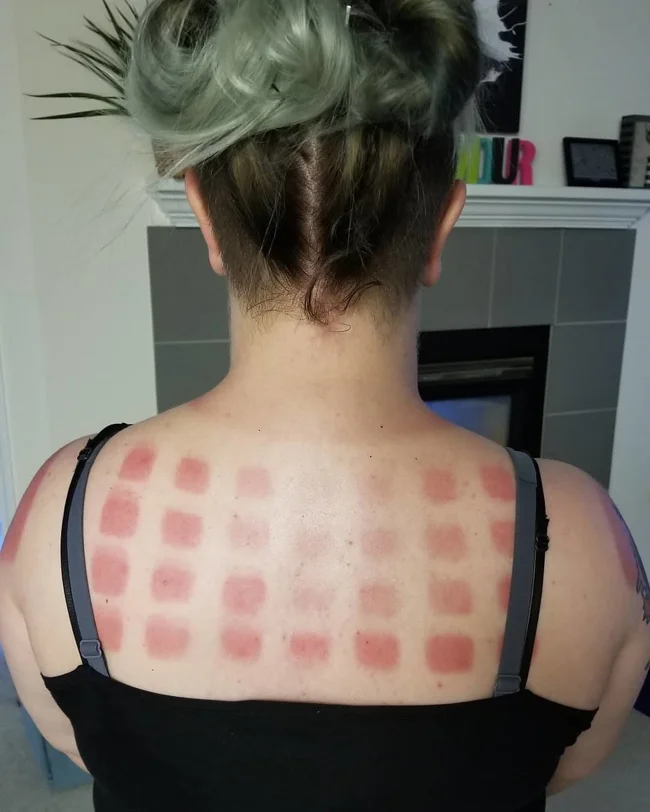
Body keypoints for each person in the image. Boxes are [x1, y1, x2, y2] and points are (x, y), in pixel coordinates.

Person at [1, 1, 649, 810]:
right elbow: (563, 768)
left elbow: (83, 744)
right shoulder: (584, 541)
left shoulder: (56, 514)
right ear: (443, 224)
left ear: (204, 215)